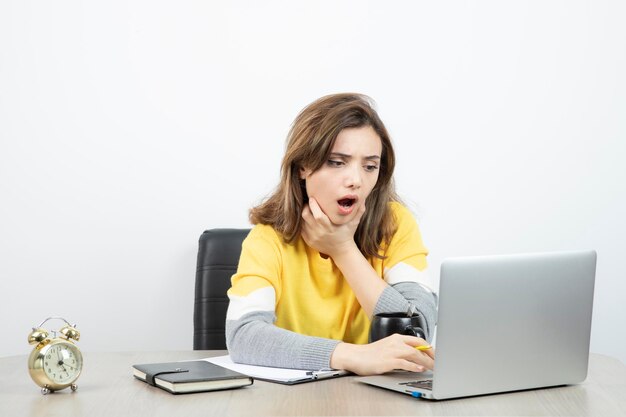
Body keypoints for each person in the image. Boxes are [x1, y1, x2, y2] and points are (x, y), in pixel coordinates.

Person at [225, 93, 437, 375]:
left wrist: (343, 250)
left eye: (370, 166)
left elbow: (418, 330)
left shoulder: (395, 224)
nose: (356, 180)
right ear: (303, 166)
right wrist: (350, 355)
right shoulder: (267, 239)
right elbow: (243, 337)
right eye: (337, 162)